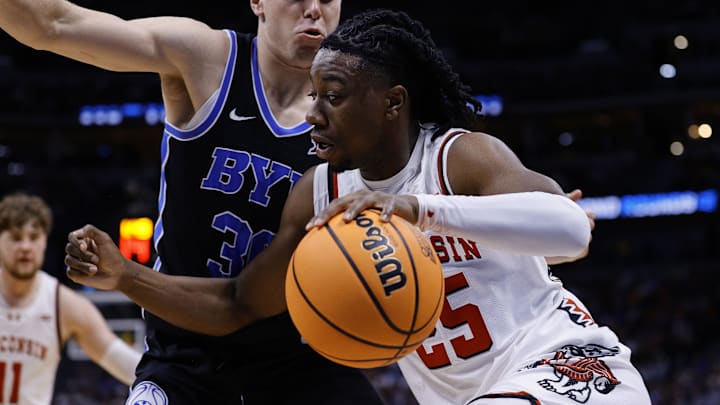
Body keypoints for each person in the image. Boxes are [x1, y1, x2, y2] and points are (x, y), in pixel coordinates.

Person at [64, 8, 647, 405]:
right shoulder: (319, 194)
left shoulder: (459, 157)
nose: (313, 113)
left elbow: (571, 231)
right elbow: (238, 303)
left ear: (391, 103)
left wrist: (420, 211)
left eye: (334, 98)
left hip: (566, 369)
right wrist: (126, 275)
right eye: (315, 96)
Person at [0, 0, 388, 403]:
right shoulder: (206, 59)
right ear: (258, 2)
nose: (313, 10)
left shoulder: (356, 118)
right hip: (185, 359)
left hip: (299, 365)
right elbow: (53, 24)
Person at [0, 192, 140, 405]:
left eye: (34, 237)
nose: (26, 246)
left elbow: (127, 365)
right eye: (16, 238)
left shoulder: (63, 304)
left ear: (45, 242)